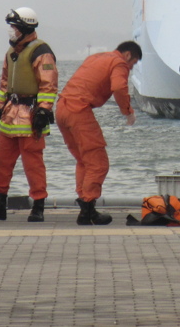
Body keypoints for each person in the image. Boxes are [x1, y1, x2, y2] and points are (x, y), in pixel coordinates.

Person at [0, 8, 57, 222]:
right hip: (10, 117)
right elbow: (4, 84)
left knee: (33, 165)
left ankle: (38, 206)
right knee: (1, 162)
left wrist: (43, 111)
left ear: (24, 28)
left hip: (30, 117)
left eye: (14, 27)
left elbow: (48, 85)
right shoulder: (11, 53)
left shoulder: (41, 52)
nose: (11, 32)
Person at [55, 41, 142, 226]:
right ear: (127, 55)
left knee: (83, 161)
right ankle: (87, 208)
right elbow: (118, 87)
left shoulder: (95, 57)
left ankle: (86, 207)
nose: (131, 68)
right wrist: (128, 111)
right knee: (98, 163)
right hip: (79, 110)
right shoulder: (119, 63)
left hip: (62, 108)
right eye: (133, 64)